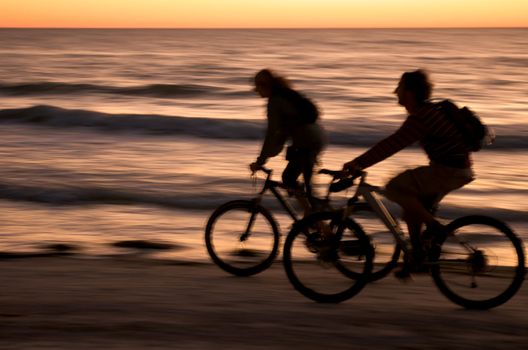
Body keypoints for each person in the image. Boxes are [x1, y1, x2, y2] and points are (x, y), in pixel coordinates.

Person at [343, 69, 474, 276]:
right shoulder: (428, 111)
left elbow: (392, 144)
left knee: (395, 187)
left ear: (410, 93)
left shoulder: (422, 117)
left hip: (448, 171)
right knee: (411, 209)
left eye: (400, 87)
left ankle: (434, 227)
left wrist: (358, 163)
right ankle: (417, 258)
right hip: (457, 169)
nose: (395, 91)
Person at [249, 69, 326, 210]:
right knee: (293, 181)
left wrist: (260, 161)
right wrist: (266, 157)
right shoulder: (285, 95)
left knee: (290, 179)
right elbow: (281, 136)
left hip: (308, 142)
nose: (256, 91)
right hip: (316, 137)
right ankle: (313, 219)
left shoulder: (275, 102)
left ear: (265, 86)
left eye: (258, 87)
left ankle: (316, 220)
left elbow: (271, 134)